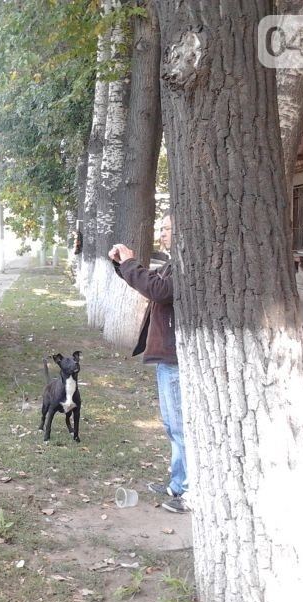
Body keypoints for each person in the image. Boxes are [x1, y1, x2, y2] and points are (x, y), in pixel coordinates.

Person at [108, 216, 189, 514]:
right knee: (172, 425)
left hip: (175, 356)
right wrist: (122, 266)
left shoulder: (187, 263)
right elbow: (151, 282)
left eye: (168, 228)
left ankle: (189, 488)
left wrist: (130, 263)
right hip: (166, 354)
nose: (162, 233)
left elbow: (160, 291)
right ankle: (177, 482)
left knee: (181, 427)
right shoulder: (173, 262)